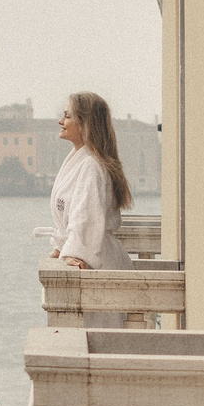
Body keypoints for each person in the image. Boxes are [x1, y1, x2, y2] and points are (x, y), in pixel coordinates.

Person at [50, 92, 134, 272]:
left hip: (99, 262)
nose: (60, 121)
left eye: (67, 116)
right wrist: (63, 246)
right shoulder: (81, 160)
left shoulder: (91, 166)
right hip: (98, 258)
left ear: (85, 124)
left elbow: (86, 215)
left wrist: (77, 252)